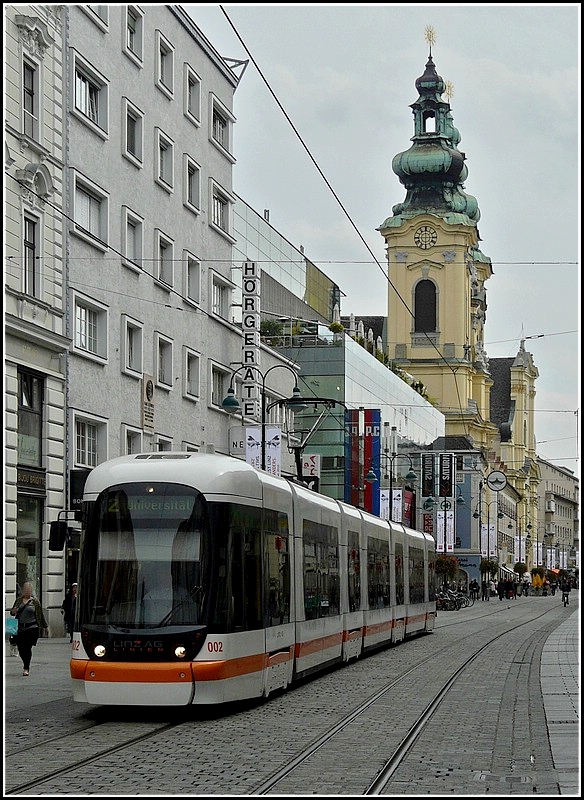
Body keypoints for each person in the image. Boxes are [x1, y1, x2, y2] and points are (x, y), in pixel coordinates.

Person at [10, 582, 48, 676]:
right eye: (26, 590)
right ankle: (25, 662)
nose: (27, 591)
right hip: (20, 627)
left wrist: (45, 626)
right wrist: (13, 611)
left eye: (29, 590)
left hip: (32, 628)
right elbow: (12, 612)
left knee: (27, 647)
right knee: (21, 648)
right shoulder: (19, 600)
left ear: (31, 591)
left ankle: (26, 667)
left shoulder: (35, 602)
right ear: (23, 590)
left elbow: (40, 615)